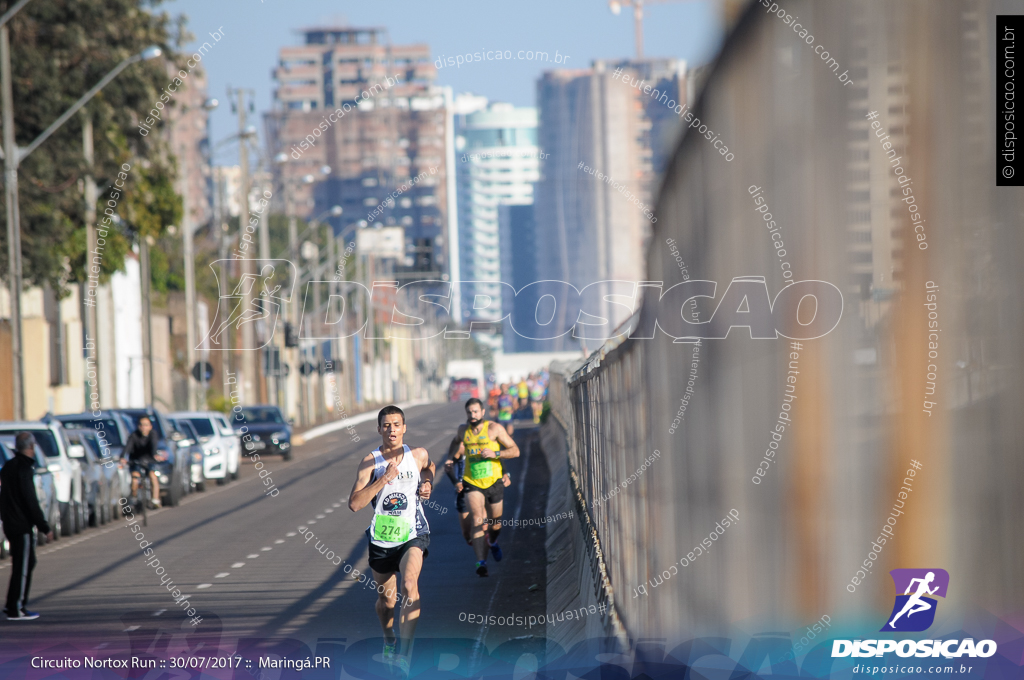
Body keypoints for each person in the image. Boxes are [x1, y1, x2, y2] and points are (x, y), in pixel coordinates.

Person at [348, 405, 435, 674]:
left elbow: (429, 467)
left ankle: (405, 657)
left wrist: (428, 482)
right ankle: (389, 639)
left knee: (410, 584)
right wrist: (383, 479)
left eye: (396, 424)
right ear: (379, 430)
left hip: (413, 532)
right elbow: (354, 504)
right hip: (383, 537)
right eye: (386, 425)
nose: (392, 430)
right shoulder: (370, 462)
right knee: (387, 601)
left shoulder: (417, 455)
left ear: (404, 428)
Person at [448, 398, 519, 577]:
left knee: (496, 525)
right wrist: (451, 457)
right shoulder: (463, 430)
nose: (472, 415)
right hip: (472, 482)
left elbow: (515, 450)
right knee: (478, 519)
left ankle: (493, 543)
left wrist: (496, 453)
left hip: (494, 482)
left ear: (483, 412)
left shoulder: (494, 429)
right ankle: (481, 562)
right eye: (469, 413)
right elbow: (455, 442)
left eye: (476, 412)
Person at [0, 432, 54, 620]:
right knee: (22, 566)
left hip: (10, 522)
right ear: (31, 447)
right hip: (20, 524)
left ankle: (14, 604)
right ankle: (16, 607)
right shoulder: (23, 469)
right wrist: (44, 526)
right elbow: (30, 500)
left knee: (27, 562)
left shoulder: (8, 467)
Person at [123, 416, 164, 509]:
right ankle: (134, 498)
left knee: (153, 476)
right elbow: (127, 447)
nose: (143, 427)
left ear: (150, 426)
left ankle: (155, 499)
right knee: (135, 478)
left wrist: (155, 456)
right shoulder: (134, 435)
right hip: (136, 460)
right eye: (141, 425)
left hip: (149, 460)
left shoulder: (153, 434)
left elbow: (154, 446)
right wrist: (122, 457)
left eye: (146, 425)